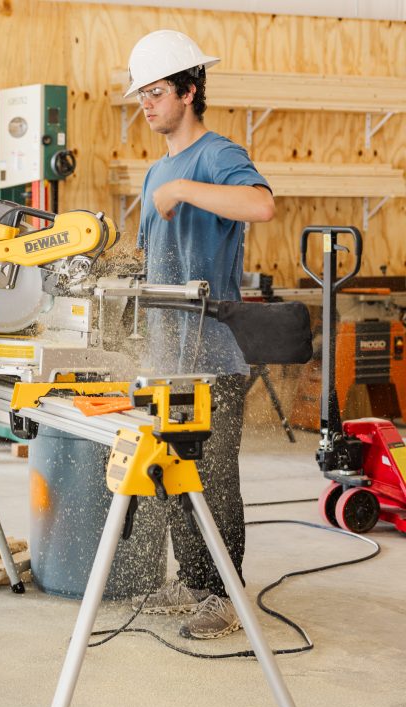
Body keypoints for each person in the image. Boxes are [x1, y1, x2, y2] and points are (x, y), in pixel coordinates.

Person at [127, 30, 275, 639]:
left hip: (213, 353)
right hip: (166, 353)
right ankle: (192, 581)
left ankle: (223, 595)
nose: (146, 104)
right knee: (170, 470)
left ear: (189, 91)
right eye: (141, 94)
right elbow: (146, 261)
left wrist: (184, 190)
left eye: (156, 92)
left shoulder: (215, 155)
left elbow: (261, 205)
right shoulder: (154, 172)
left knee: (212, 478)